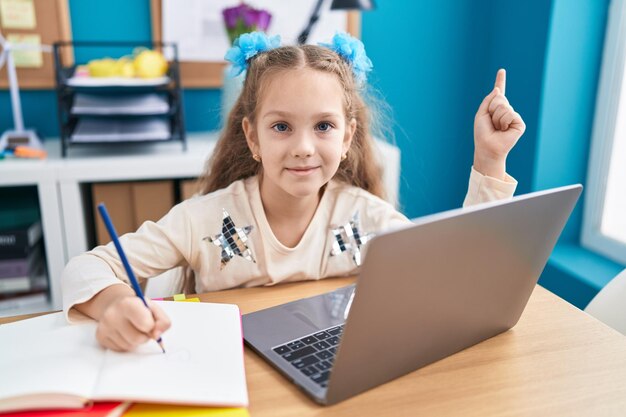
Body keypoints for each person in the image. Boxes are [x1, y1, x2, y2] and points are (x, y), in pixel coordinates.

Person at [62, 32, 525, 352]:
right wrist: (117, 305)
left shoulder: (367, 217)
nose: (303, 148)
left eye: (323, 126)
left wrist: (489, 160)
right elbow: (85, 268)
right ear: (252, 137)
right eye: (281, 126)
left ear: (347, 138)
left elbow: (454, 279)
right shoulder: (201, 220)